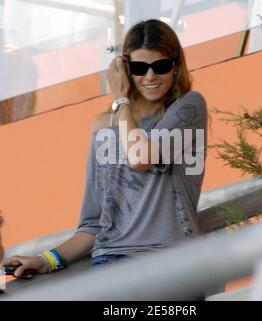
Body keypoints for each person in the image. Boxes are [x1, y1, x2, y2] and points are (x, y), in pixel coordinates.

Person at [3, 19, 207, 287]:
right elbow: (94, 224)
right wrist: (46, 260)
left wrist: (120, 99)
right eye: (139, 68)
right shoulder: (104, 127)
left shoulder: (187, 108)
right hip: (110, 268)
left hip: (171, 264)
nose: (150, 77)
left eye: (161, 66)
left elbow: (141, 158)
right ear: (124, 69)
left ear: (175, 66)